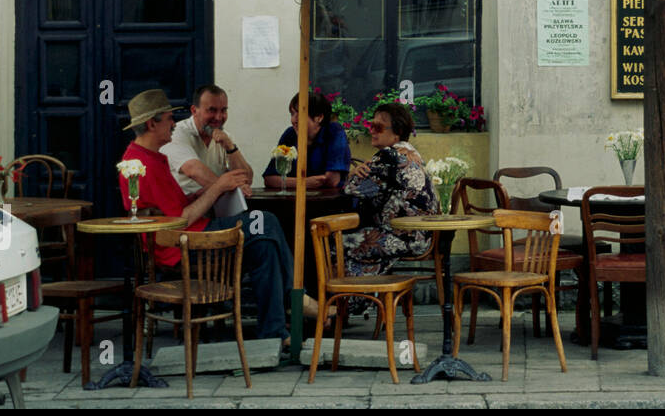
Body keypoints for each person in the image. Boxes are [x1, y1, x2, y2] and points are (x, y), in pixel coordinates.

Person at [117, 88, 322, 347]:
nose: (173, 123)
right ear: (151, 123)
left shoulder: (155, 156)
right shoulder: (138, 165)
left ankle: (274, 334)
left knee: (264, 246)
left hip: (195, 237)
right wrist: (218, 188)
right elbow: (177, 221)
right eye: (169, 118)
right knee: (265, 221)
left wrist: (210, 191)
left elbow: (178, 207)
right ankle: (297, 299)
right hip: (183, 247)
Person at [341, 101, 437, 282]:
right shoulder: (410, 153)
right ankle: (362, 297)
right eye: (371, 125)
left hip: (404, 237)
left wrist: (351, 174)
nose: (372, 131)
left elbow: (350, 189)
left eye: (378, 127)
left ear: (396, 132)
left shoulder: (388, 156)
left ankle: (344, 299)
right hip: (419, 236)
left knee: (333, 243)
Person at [162, 85, 253, 211]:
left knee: (265, 219)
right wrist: (233, 189)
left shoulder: (224, 136)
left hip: (218, 210)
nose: (219, 117)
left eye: (224, 110)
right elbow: (193, 170)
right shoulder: (177, 133)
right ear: (194, 111)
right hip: (186, 215)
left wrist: (230, 147)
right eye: (212, 110)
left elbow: (247, 179)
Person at [262, 91, 354, 191]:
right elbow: (269, 179)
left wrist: (287, 182)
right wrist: (304, 182)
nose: (293, 120)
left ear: (319, 117)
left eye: (299, 114)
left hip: (329, 201)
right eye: (292, 114)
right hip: (295, 200)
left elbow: (331, 181)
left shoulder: (334, 131)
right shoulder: (290, 134)